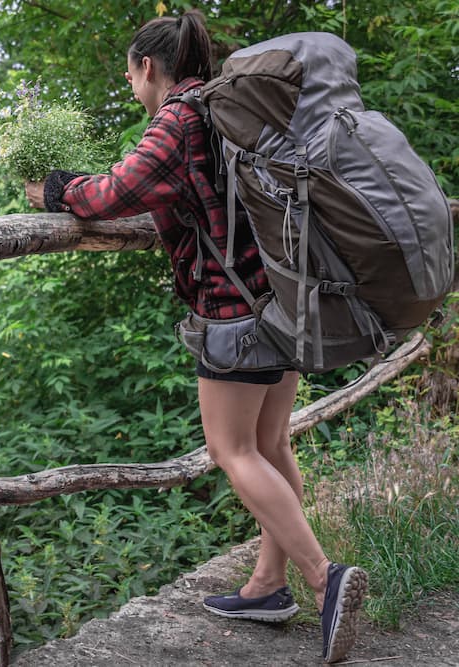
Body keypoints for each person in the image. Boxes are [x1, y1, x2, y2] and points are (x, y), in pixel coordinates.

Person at [25, 10, 368, 664]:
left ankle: (327, 579)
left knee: (231, 449)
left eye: (129, 73)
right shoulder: (229, 110)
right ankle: (269, 585)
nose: (130, 84)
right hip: (285, 299)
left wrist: (55, 189)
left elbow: (111, 193)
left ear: (147, 68)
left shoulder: (180, 121)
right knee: (269, 443)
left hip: (232, 311)